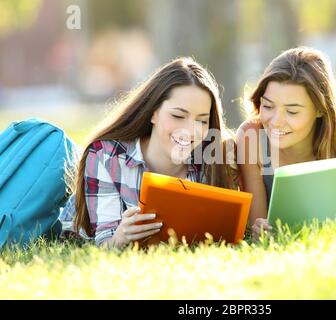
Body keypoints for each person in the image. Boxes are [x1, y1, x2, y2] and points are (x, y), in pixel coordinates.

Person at [60, 57, 238, 248]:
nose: (190, 130)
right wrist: (121, 236)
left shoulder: (213, 160)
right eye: (178, 116)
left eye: (202, 121)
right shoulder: (106, 155)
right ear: (153, 112)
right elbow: (104, 244)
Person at [236, 47, 336, 239]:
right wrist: (260, 231)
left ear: (320, 109)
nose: (275, 121)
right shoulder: (251, 136)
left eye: (292, 111)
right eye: (268, 106)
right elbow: (255, 227)